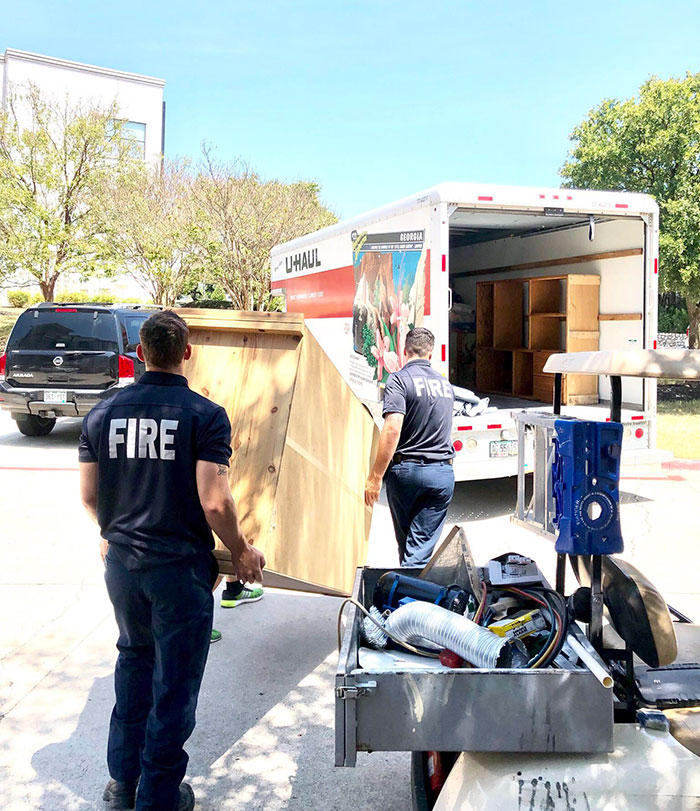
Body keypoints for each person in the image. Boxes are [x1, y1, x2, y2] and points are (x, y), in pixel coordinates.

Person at [79, 310, 265, 811]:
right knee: (174, 682)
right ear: (187, 353)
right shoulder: (205, 416)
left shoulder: (102, 413)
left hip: (123, 568)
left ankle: (123, 785)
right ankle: (158, 796)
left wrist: (112, 533)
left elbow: (90, 495)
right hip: (178, 572)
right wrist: (242, 551)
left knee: (134, 663)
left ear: (141, 353)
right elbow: (215, 501)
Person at [364, 327, 455, 568]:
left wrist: (375, 477)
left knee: (410, 551)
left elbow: (392, 428)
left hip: (406, 474)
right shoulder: (446, 386)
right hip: (441, 475)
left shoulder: (399, 380)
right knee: (416, 550)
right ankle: (411, 591)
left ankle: (409, 600)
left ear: (404, 352)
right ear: (431, 354)